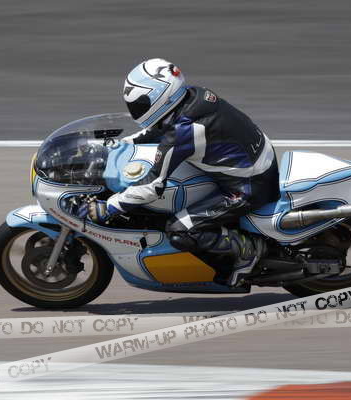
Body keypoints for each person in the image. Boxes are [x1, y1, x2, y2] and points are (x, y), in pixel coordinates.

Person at [87, 58, 280, 287]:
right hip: (256, 158)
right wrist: (123, 144)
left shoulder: (183, 131)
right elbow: (158, 129)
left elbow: (152, 187)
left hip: (249, 185)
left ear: (162, 97)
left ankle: (249, 251)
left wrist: (110, 206)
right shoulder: (193, 95)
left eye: (140, 103)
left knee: (180, 230)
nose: (136, 109)